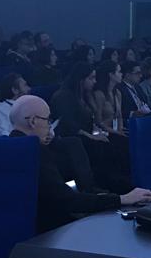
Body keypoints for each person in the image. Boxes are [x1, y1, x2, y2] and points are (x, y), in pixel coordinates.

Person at [9, 95, 151, 232]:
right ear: (33, 121)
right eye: (47, 120)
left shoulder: (9, 148)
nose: (50, 127)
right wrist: (123, 199)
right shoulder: (34, 151)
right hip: (49, 233)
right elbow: (67, 200)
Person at [51, 63, 130, 192]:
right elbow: (69, 125)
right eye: (91, 78)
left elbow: (91, 121)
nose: (95, 81)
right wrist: (92, 136)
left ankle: (122, 182)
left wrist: (97, 133)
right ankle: (105, 185)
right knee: (103, 145)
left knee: (118, 141)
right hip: (73, 137)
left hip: (87, 133)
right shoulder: (63, 96)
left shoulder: (84, 95)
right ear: (81, 79)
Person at [0, 72, 31, 136]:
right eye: (25, 85)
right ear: (15, 90)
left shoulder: (30, 106)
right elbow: (3, 134)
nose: (29, 89)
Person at [90, 60, 125, 135]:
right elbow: (98, 122)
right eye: (119, 72)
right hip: (103, 133)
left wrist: (121, 130)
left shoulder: (117, 93)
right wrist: (117, 133)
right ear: (111, 74)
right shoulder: (99, 94)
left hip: (116, 131)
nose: (122, 74)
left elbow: (120, 117)